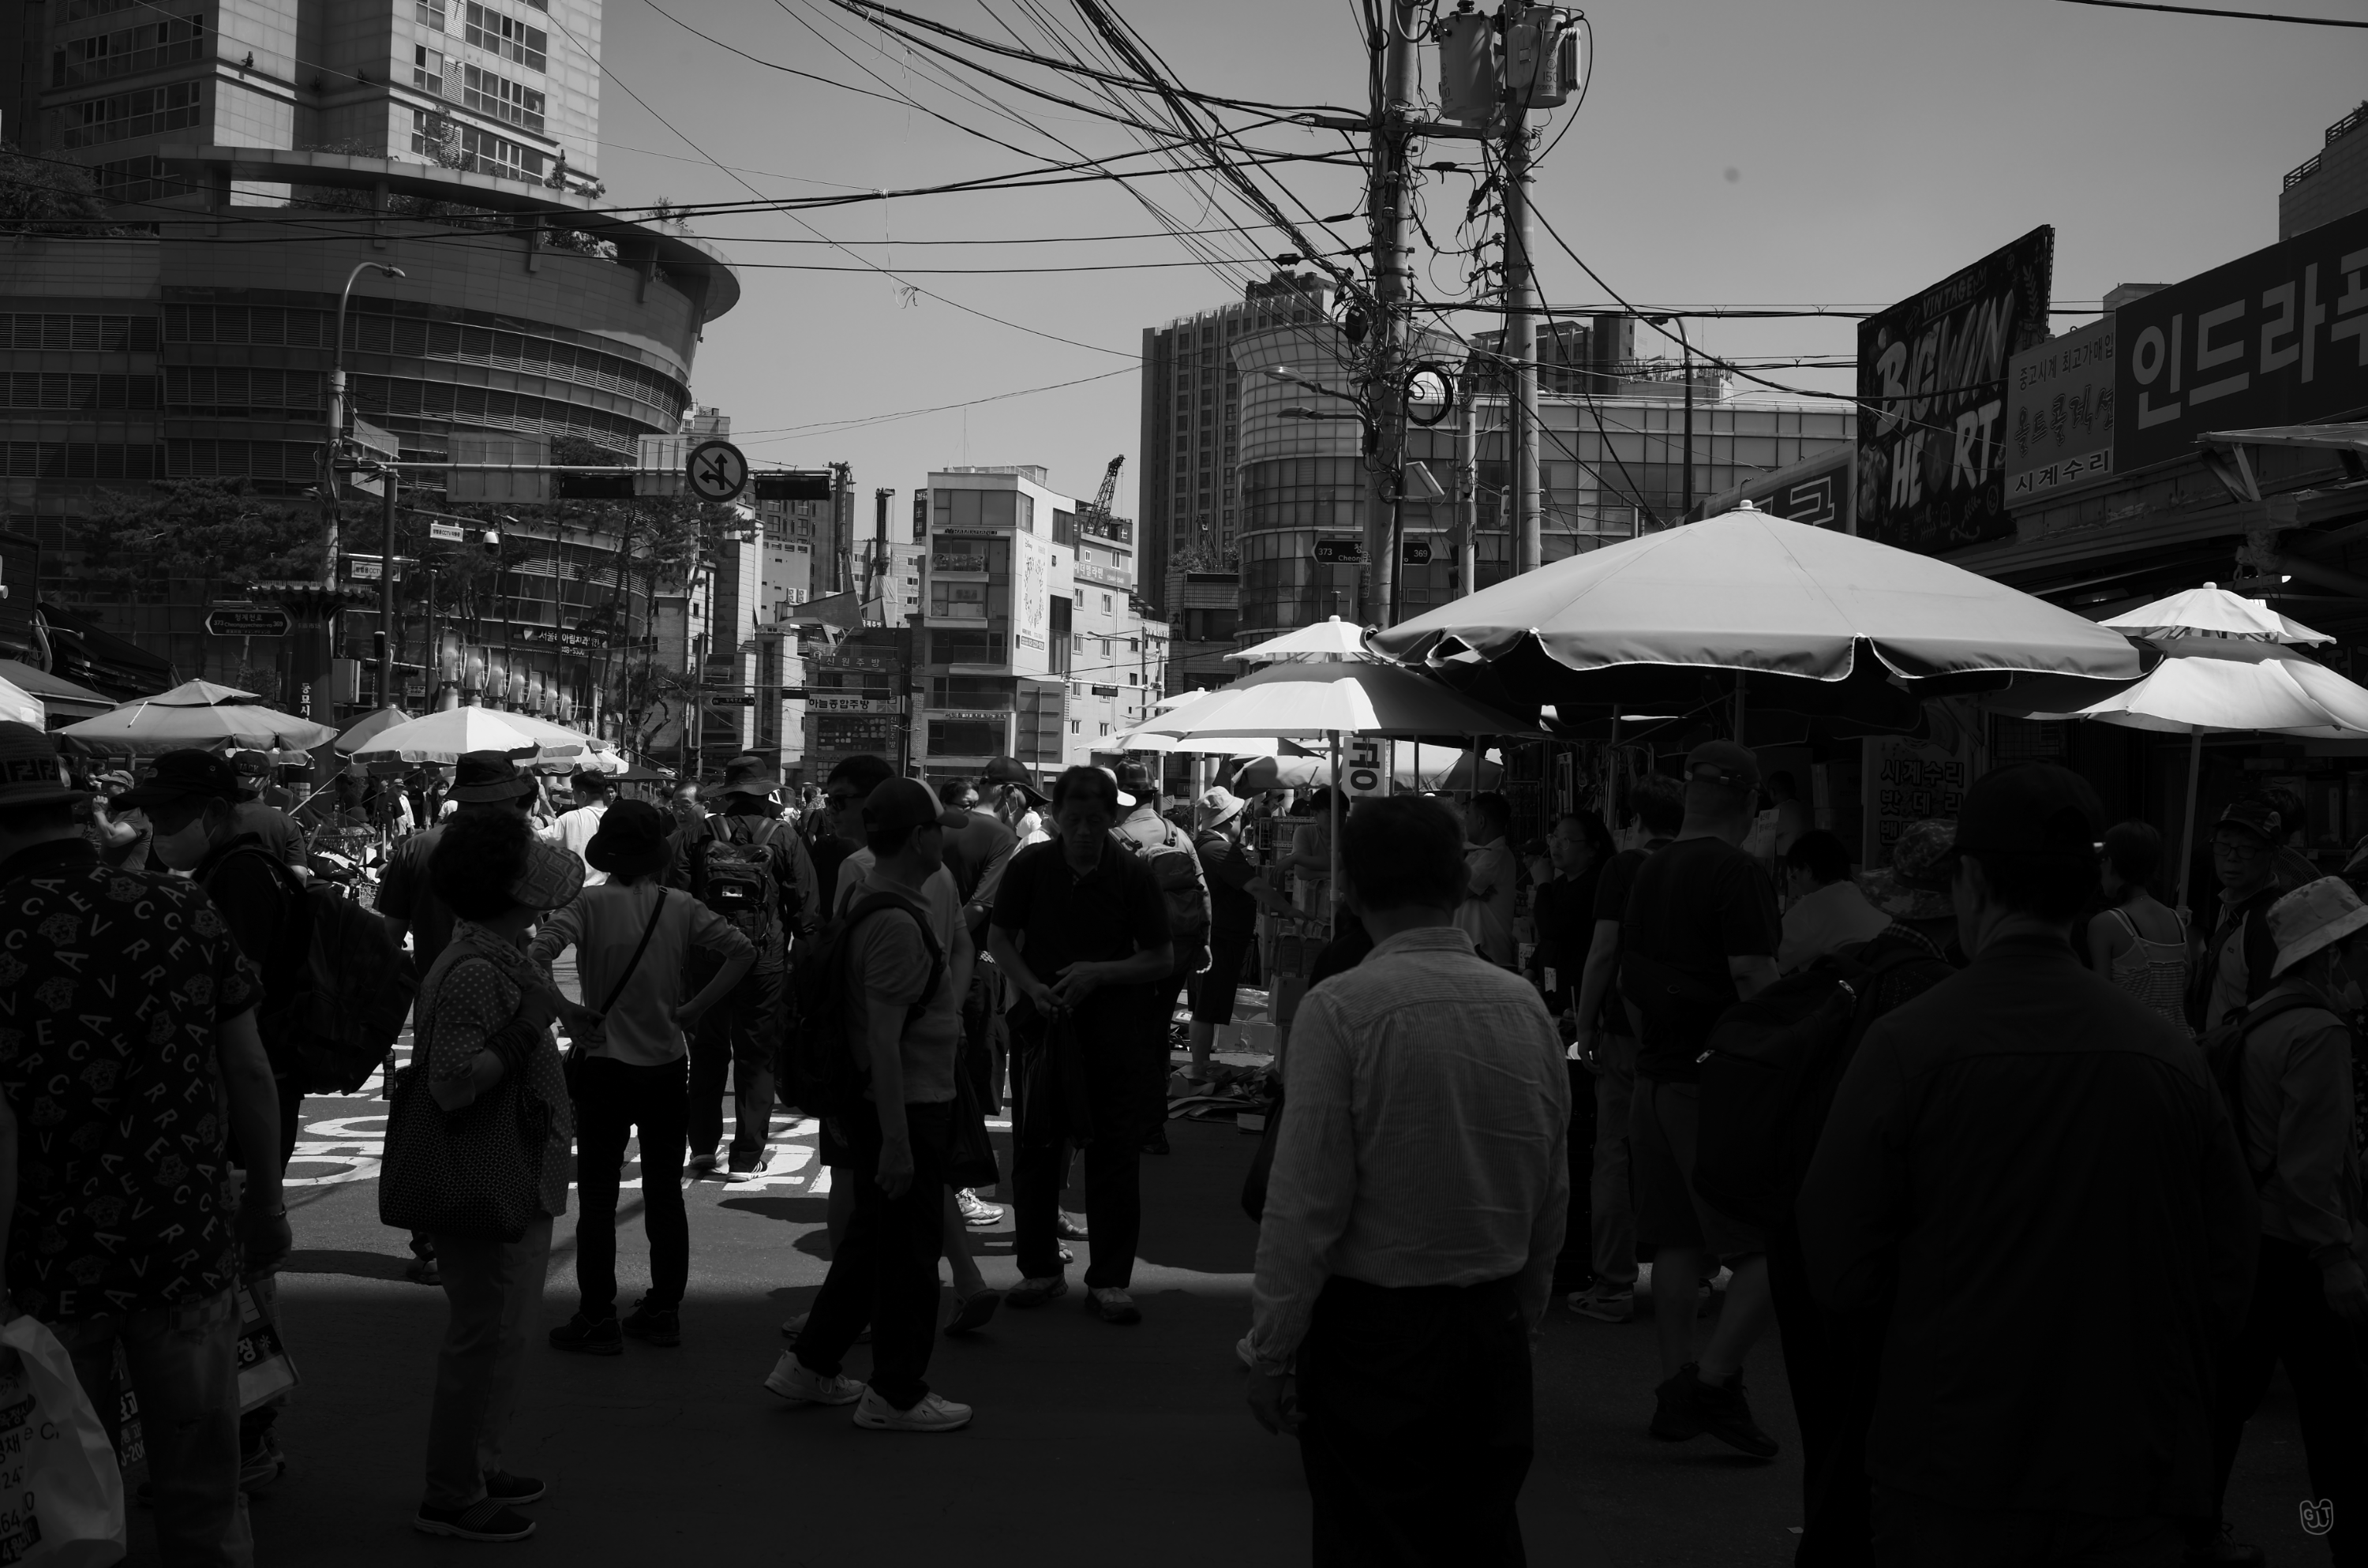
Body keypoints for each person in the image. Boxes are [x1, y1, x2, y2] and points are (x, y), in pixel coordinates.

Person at [1797, 762, 2257, 1567]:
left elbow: (1837, 1263)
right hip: (2131, 1464)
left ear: (1971, 884)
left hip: (1952, 1462)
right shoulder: (2170, 1055)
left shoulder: (1909, 1044)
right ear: (2087, 890)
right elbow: (2229, 1267)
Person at [1246, 793, 1568, 1566]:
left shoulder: (1342, 1006)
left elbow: (1306, 1202)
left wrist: (1272, 1347)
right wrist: (1522, 1315)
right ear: (1458, 884)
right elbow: (1549, 1187)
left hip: (1376, 1335)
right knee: (1481, 1538)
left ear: (1352, 889)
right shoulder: (1522, 1005)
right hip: (1489, 1320)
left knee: (1374, 1539)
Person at [0, 721, 289, 1568]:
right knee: (205, 1485)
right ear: (69, 812)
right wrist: (266, 1203)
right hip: (182, 1240)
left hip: (45, 1263)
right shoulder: (179, 906)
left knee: (69, 1489)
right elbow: (250, 1070)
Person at [117, 750, 317, 1490]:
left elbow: (234, 1012)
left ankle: (249, 1437)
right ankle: (240, 1437)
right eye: (151, 812)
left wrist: (266, 1191)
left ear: (215, 811)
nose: (156, 825)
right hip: (245, 1092)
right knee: (233, 1274)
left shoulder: (237, 878)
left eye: (169, 813)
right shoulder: (232, 870)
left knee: (240, 1279)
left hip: (243, 1098)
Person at [765, 780, 978, 1431]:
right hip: (906, 1103)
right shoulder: (895, 922)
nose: (945, 840)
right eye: (938, 829)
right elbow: (883, 1039)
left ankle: (810, 1363)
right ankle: (896, 1393)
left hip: (887, 1101)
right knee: (910, 1256)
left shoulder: (873, 901)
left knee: (870, 1243)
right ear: (918, 839)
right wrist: (896, 1139)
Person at [412, 811, 584, 1543]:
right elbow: (453, 1082)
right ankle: (452, 1492)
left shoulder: (498, 955)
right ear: (508, 889)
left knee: (503, 1333)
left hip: (512, 1172)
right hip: (490, 1177)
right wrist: (531, 1025)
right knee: (485, 1336)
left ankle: (479, 1464)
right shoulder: (479, 970)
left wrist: (555, 1013)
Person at [530, 802, 755, 1356]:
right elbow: (742, 950)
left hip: (604, 1064)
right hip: (665, 1065)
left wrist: (567, 1010)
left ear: (608, 855)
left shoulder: (586, 903)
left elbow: (535, 955)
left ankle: (596, 1315)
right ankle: (663, 1310)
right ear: (657, 857)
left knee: (598, 1197)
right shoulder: (679, 905)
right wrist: (693, 1008)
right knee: (663, 1193)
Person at [1619, 740, 1783, 1455]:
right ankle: (1713, 1382)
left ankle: (1675, 1388)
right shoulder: (1736, 870)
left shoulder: (1648, 869)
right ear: (1747, 803)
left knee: (1678, 1242)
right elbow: (1753, 973)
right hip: (1714, 1083)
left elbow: (1628, 975)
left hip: (1655, 1075)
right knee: (1770, 1244)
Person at [2198, 876, 2368, 1568]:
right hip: (2300, 1253)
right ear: (2330, 956)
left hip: (2251, 1242)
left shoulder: (2258, 1017)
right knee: (2338, 1421)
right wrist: (2336, 1257)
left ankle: (2197, 1534)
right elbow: (2309, 1166)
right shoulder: (2319, 1032)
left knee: (2226, 1404)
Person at [989, 765, 1174, 1325]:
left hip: (1115, 1029)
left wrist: (1100, 972)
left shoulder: (1132, 873)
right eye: (1074, 819)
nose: (1086, 831)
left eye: (1096, 820)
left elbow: (1160, 957)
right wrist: (1032, 988)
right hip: (1043, 1026)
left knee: (1114, 1154)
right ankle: (1040, 1268)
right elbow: (1000, 939)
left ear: (1112, 817)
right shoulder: (1031, 866)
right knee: (1036, 1150)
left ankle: (1110, 1280)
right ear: (1056, 816)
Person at [1565, 773, 1685, 1324]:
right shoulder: (1714, 864)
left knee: (1614, 1149)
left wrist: (1585, 1025)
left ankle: (1613, 1283)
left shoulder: (1625, 868)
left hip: (1626, 1026)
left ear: (1636, 821)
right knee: (1683, 1150)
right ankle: (1692, 1278)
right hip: (1692, 1031)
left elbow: (1602, 951)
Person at [672, 754, 819, 1179]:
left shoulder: (695, 835)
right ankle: (746, 1157)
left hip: (707, 961)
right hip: (762, 960)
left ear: (727, 794)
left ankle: (702, 1148)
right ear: (764, 793)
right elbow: (806, 909)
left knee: (707, 1052)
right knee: (756, 1056)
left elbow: (674, 900)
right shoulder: (783, 836)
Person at [1526, 811, 1613, 1296]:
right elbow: (1548, 941)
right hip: (1563, 1005)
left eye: (1566, 840)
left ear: (1593, 847)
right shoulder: (1566, 883)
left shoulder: (1593, 887)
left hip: (1585, 1016)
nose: (1556, 846)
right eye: (1554, 837)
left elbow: (1555, 926)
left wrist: (1541, 883)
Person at [1111, 760, 1211, 1157]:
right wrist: (1203, 942)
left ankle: (1138, 1125)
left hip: (1132, 959)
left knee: (1131, 1037)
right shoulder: (1178, 835)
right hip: (1177, 953)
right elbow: (1202, 892)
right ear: (1152, 795)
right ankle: (1153, 1127)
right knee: (1157, 1034)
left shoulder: (1114, 839)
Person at [1188, 785, 1296, 1087]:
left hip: (1211, 936)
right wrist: (1289, 909)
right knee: (1206, 1007)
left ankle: (1201, 1063)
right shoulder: (1219, 850)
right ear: (1230, 819)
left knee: (1204, 1005)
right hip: (1219, 938)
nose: (1244, 822)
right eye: (1241, 817)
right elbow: (1256, 886)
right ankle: (1199, 1066)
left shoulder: (1203, 845)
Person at [2085, 820, 2191, 1035]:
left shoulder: (2105, 924)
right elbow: (2186, 982)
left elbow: (2101, 1002)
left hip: (2133, 1044)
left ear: (2112, 862)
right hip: (2178, 1042)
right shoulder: (2175, 920)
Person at [2194, 796, 2288, 1034]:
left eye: (2246, 848)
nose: (2231, 857)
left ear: (2274, 856)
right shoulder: (2227, 904)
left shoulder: (2270, 923)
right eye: (2223, 845)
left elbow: (2272, 1018)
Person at [1776, 829, 1890, 973]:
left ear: (1808, 871)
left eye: (1794, 876)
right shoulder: (1868, 896)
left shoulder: (1812, 908)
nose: (1796, 884)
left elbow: (1769, 956)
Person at [1457, 791, 1520, 968]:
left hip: (1485, 954)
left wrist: (1466, 892)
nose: (1464, 822)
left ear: (1481, 821)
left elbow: (1450, 892)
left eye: (1468, 815)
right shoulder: (1479, 853)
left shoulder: (1495, 856)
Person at [538, 768, 615, 886]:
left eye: (574, 794)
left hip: (577, 890)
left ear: (583, 796)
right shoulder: (617, 818)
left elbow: (539, 838)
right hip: (609, 890)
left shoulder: (569, 818)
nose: (574, 799)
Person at [1286, 789, 1336, 915]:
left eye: (1342, 813)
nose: (1338, 818)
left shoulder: (1352, 836)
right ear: (1315, 815)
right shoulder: (1305, 832)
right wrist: (1336, 874)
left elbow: (1346, 864)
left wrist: (1298, 859)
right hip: (1311, 908)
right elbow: (1302, 872)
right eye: (1331, 814)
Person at [1767, 770, 1813, 860]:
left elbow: (1760, 842)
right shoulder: (1809, 807)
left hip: (1791, 865)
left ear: (1772, 791)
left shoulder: (1778, 811)